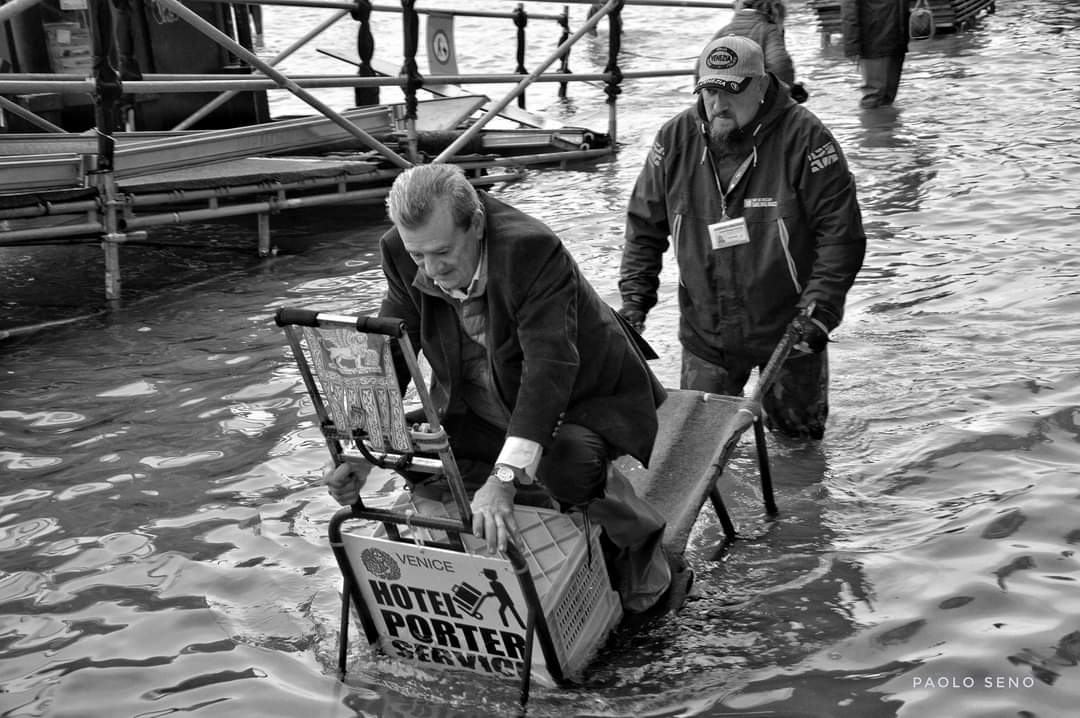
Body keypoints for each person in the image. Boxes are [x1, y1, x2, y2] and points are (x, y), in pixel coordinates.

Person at [328, 163, 676, 614]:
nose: (431, 271)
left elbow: (549, 368)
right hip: (481, 392)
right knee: (417, 452)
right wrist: (361, 447)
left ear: (475, 224)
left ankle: (638, 544)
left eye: (442, 253)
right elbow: (392, 345)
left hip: (582, 393)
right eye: (419, 258)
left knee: (569, 464)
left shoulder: (532, 248)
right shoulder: (398, 247)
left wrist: (506, 476)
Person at [618, 35, 866, 440]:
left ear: (762, 84)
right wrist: (634, 302)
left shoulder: (807, 138)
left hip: (788, 331)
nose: (717, 106)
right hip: (705, 330)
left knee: (800, 445)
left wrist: (819, 311)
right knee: (695, 446)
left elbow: (841, 235)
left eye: (730, 93)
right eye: (708, 91)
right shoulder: (674, 139)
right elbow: (644, 225)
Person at [712, 0, 807, 103]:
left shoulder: (722, 32)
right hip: (755, 101)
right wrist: (785, 94)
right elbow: (780, 67)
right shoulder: (768, 30)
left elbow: (702, 68)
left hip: (722, 101)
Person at [841, 0, 910, 109]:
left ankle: (885, 125)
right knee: (873, 96)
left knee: (888, 98)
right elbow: (849, 10)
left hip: (897, 41)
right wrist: (852, 46)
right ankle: (872, 123)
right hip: (873, 42)